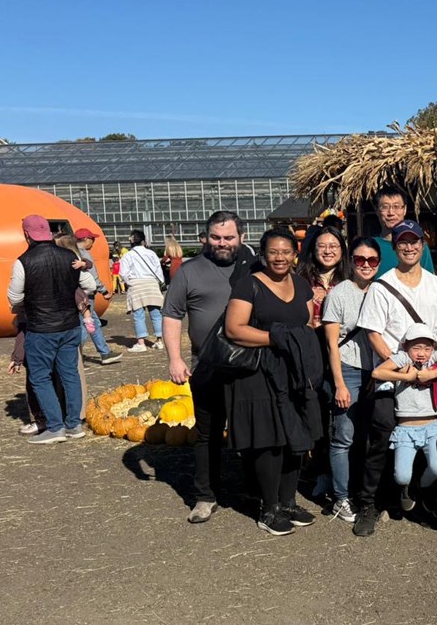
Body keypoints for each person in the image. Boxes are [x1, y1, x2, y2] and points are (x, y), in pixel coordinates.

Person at [353, 219, 437, 537]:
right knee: (382, 433)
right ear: (395, 246)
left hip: (432, 375)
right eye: (403, 242)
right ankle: (370, 503)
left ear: (423, 245)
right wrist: (401, 369)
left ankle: (430, 496)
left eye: (415, 241)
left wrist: (434, 370)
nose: (409, 247)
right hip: (393, 376)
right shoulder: (383, 286)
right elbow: (373, 333)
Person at [162, 210, 259, 524]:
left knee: (251, 431)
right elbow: (172, 315)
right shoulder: (189, 272)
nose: (222, 243)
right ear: (205, 238)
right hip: (206, 365)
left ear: (241, 238)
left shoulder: (254, 267)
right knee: (208, 434)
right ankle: (205, 495)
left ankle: (255, 490)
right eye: (216, 237)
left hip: (248, 365)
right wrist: (175, 358)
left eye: (228, 237)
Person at [225, 228, 323, 536]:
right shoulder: (248, 284)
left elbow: (307, 323)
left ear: (295, 254)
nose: (279, 257)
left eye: (286, 252)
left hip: (294, 370)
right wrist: (275, 337)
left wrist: (295, 341)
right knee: (270, 441)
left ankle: (288, 501)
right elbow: (234, 329)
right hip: (259, 372)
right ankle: (268, 508)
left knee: (295, 436)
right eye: (273, 252)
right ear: (263, 254)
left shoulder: (302, 285)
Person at [7, 215, 95, 444]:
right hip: (69, 325)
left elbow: (14, 297)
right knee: (69, 373)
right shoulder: (69, 256)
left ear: (26, 235)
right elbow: (90, 285)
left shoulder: (23, 261)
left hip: (40, 328)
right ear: (47, 232)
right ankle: (74, 424)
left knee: (40, 377)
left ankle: (55, 427)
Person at [320, 236, 382, 522]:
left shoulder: (382, 291)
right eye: (360, 260)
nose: (366, 265)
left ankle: (363, 493)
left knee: (367, 435)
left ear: (379, 263)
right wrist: (339, 384)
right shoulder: (339, 294)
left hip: (377, 370)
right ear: (351, 262)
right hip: (348, 369)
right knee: (343, 436)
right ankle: (341, 497)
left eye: (371, 260)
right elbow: (332, 343)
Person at [372, 324, 437, 511]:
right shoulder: (402, 358)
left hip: (432, 426)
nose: (422, 353)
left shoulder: (434, 359)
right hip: (406, 428)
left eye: (427, 348)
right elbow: (377, 372)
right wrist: (406, 377)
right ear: (406, 346)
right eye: (416, 347)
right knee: (401, 475)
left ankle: (420, 488)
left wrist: (431, 373)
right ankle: (406, 487)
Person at [297, 225, 348, 499]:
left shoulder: (350, 279)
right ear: (314, 250)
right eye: (322, 246)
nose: (328, 251)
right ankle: (321, 470)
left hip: (344, 352)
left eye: (334, 246)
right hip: (313, 350)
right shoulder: (302, 280)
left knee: (340, 413)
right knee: (316, 411)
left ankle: (340, 469)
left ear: (342, 251)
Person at [74, 228, 122, 364]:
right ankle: (75, 356)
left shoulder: (70, 252)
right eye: (92, 239)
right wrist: (104, 290)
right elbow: (92, 277)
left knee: (93, 322)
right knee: (85, 324)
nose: (93, 242)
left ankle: (105, 352)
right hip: (86, 295)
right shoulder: (84, 254)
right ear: (86, 239)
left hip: (76, 294)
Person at [120, 230, 166, 352]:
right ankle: (160, 340)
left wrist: (130, 283)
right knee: (156, 314)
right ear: (143, 241)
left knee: (138, 315)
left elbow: (123, 273)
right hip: (152, 284)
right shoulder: (151, 253)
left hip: (136, 285)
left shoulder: (128, 255)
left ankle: (141, 343)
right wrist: (159, 283)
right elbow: (158, 270)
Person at [371, 190, 435, 276]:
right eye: (385, 207)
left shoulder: (417, 246)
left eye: (396, 207)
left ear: (404, 209)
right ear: (377, 210)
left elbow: (429, 280)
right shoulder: (370, 246)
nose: (391, 213)